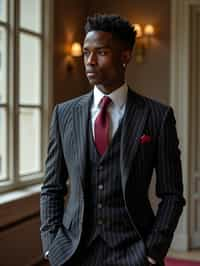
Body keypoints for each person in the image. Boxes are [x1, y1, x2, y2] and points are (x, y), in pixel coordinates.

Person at [40, 14, 185, 266]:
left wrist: (152, 251)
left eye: (102, 52)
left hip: (134, 252)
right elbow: (52, 187)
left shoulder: (157, 116)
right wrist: (52, 245)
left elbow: (172, 193)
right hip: (74, 252)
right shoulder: (64, 114)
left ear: (125, 56)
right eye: (86, 53)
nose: (90, 61)